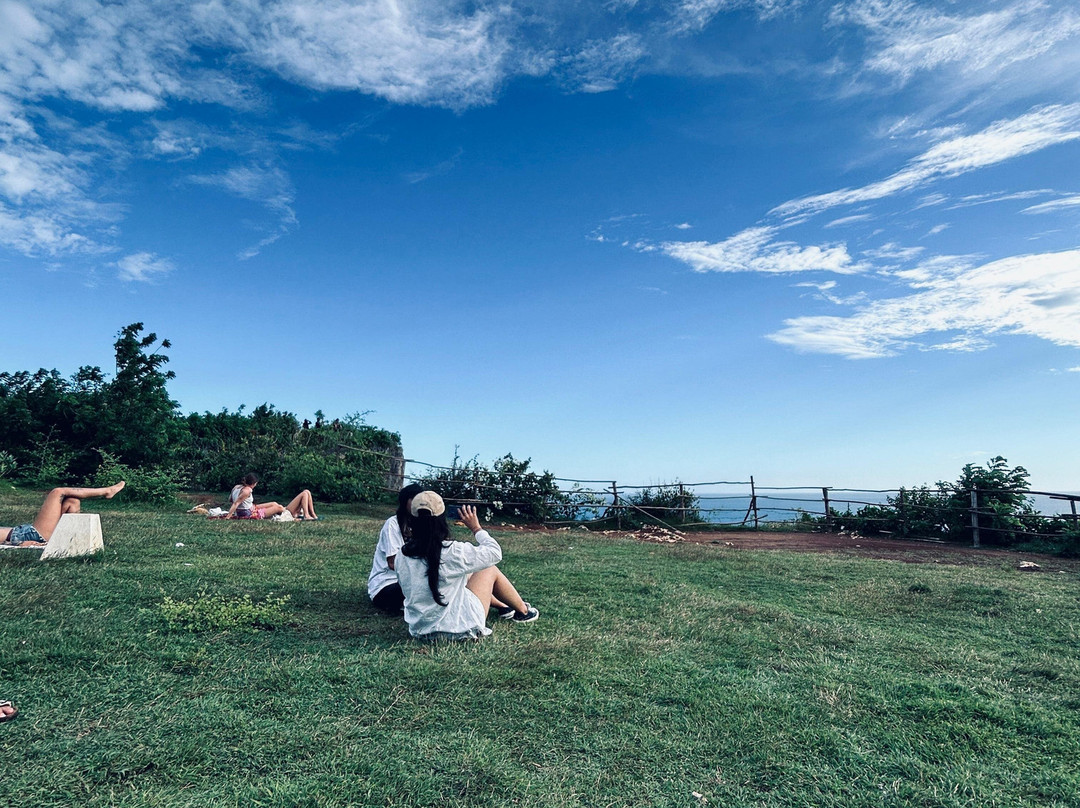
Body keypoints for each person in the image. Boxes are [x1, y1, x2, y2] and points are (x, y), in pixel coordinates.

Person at [396, 490, 538, 641]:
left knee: (468, 572)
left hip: (421, 631)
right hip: (460, 629)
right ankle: (523, 611)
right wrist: (476, 528)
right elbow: (495, 553)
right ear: (442, 519)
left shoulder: (402, 555)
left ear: (412, 519)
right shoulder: (453, 551)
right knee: (489, 569)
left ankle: (506, 606)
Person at [1, 482, 126, 547]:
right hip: (27, 535)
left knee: (72, 502)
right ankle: (107, 491)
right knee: (58, 492)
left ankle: (73, 539)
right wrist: (18, 543)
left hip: (23, 532)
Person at [368, 483, 423, 614]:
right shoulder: (392, 524)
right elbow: (393, 563)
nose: (418, 504)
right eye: (414, 500)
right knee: (423, 589)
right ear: (405, 502)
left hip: (413, 580)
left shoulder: (423, 525)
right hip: (387, 583)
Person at [225, 473, 319, 520]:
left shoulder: (236, 487)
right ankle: (305, 515)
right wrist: (228, 516)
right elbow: (236, 503)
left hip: (250, 508)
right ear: (253, 483)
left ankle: (310, 514)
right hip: (249, 513)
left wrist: (245, 506)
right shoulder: (247, 490)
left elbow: (231, 499)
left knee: (275, 503)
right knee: (304, 493)